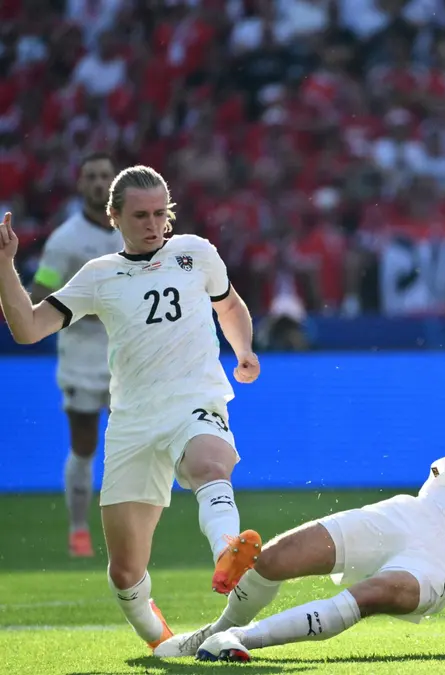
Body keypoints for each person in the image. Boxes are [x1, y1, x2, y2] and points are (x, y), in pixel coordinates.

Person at [153, 282, 445, 662]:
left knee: (376, 593)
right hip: (414, 514)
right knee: (274, 558)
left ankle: (239, 642)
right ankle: (212, 633)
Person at [0, 165, 266, 651]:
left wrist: (244, 349)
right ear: (115, 217)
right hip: (133, 422)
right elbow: (28, 329)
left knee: (211, 463)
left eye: (160, 213)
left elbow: (230, 306)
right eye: (140, 215)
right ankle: (163, 642)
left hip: (195, 398)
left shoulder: (196, 253)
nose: (153, 223)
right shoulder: (98, 276)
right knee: (125, 571)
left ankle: (229, 549)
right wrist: (3, 266)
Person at [26, 152, 121, 557]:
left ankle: (125, 528)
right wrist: (81, 307)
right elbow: (37, 293)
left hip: (126, 356)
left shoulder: (131, 232)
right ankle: (79, 528)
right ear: (81, 185)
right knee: (84, 445)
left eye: (105, 176)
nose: (99, 183)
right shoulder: (64, 241)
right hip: (81, 355)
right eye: (92, 177)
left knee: (132, 443)